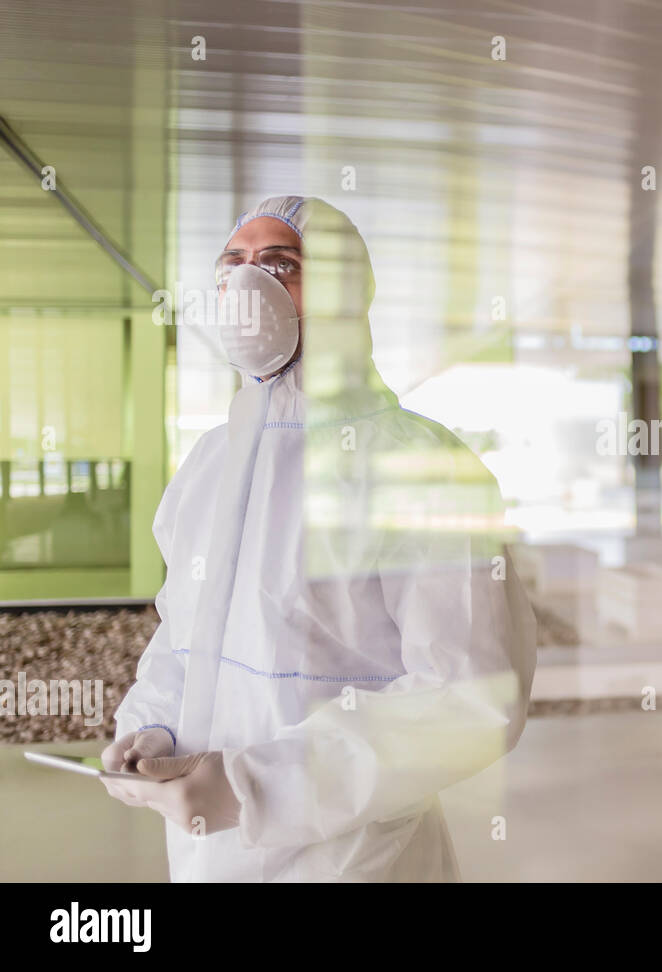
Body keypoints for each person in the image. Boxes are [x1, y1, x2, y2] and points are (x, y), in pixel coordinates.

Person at [101, 195, 536, 882]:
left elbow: (470, 698)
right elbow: (182, 638)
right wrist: (153, 726)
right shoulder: (210, 465)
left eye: (280, 265)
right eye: (233, 266)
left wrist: (260, 787)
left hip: (355, 860)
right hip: (208, 854)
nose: (248, 285)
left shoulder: (419, 465)